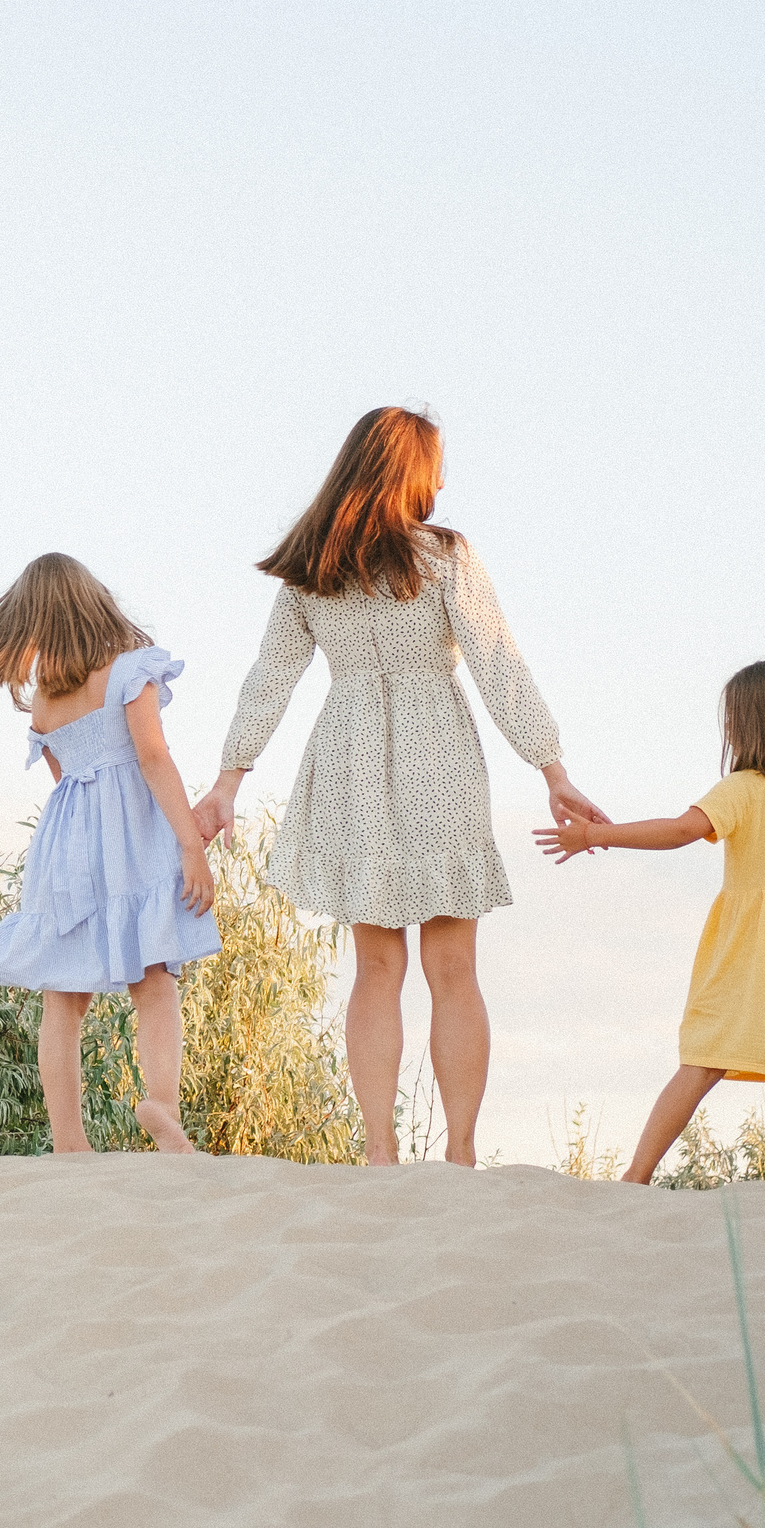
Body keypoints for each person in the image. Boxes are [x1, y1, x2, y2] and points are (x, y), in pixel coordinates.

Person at [196, 407, 605, 1168]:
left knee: (376, 971)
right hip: (437, 751)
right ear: (409, 473)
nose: (442, 485)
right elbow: (498, 663)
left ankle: (379, 1151)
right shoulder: (444, 555)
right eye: (436, 470)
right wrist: (551, 767)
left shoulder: (313, 567)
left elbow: (270, 677)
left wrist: (229, 779)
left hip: (348, 755)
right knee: (454, 972)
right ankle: (460, 1153)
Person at [536, 658, 765, 1202]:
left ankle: (635, 1178)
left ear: (752, 724)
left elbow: (681, 830)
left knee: (703, 1059)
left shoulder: (742, 788)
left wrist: (596, 835)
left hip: (751, 956)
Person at [0, 553, 222, 1154]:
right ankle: (162, 1104)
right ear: (94, 603)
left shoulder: (45, 703)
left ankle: (68, 1142)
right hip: (133, 838)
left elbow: (65, 779)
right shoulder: (130, 671)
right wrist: (190, 845)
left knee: (62, 999)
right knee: (154, 979)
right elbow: (152, 759)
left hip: (67, 848)